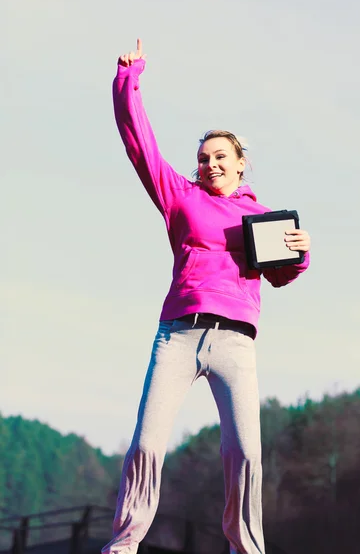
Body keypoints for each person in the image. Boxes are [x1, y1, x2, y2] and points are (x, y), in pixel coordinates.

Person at [102, 39, 311, 554]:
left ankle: (247, 549)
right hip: (178, 333)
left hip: (236, 342)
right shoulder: (181, 197)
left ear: (241, 164)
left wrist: (301, 253)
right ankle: (124, 547)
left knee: (244, 453)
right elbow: (139, 143)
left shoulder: (261, 218)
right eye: (203, 158)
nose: (210, 164)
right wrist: (130, 79)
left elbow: (281, 276)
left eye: (221, 156)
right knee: (147, 444)